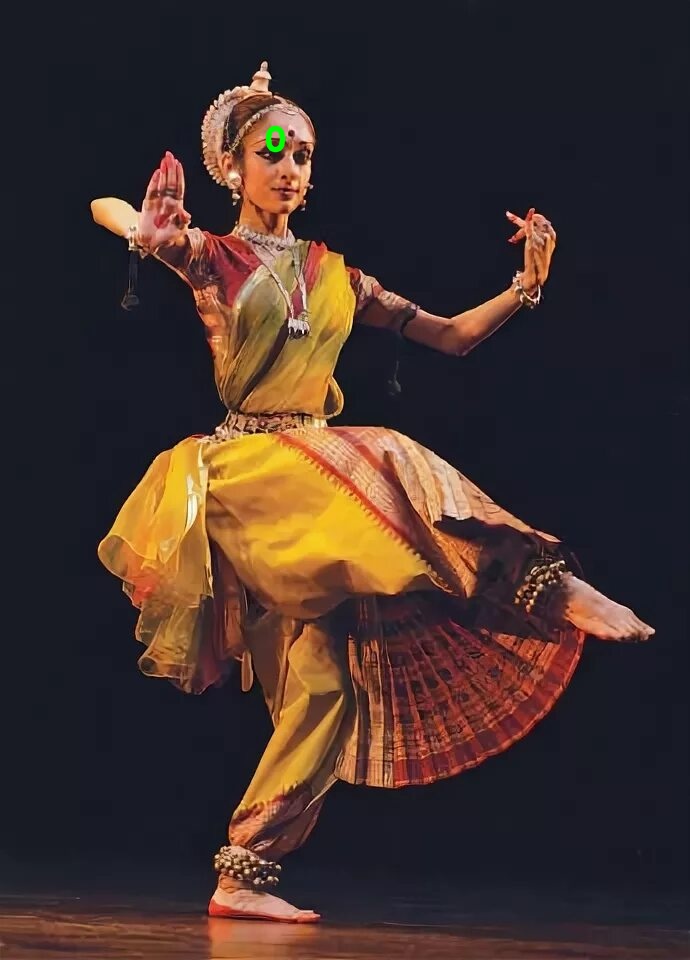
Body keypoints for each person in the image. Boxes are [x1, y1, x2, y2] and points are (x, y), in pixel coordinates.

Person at [91, 61, 654, 923]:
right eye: (271, 151)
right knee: (385, 450)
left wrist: (525, 286)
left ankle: (244, 872)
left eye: (303, 155)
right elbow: (105, 205)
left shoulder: (337, 276)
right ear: (231, 167)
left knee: (326, 689)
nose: (290, 167)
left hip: (317, 497)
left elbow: (452, 336)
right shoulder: (212, 257)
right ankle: (538, 579)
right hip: (251, 474)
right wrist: (144, 229)